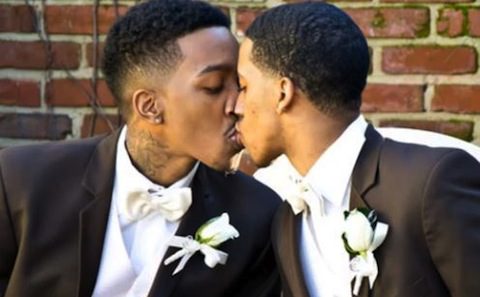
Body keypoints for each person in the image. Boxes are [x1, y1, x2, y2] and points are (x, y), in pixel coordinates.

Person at [0, 1, 281, 296]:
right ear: (149, 107)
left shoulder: (256, 215)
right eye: (213, 86)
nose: (238, 105)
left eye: (239, 85)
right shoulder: (22, 183)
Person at [233, 2, 480, 297]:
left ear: (282, 93)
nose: (236, 106)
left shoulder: (430, 182)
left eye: (244, 86)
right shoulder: (286, 220)